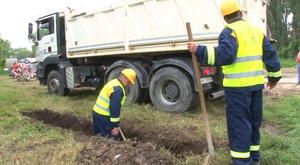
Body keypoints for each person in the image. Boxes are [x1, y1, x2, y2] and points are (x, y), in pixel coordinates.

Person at [187, 0, 281, 164]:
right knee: (253, 122)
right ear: (240, 13)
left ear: (225, 18)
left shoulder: (229, 31)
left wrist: (199, 49)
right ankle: (254, 158)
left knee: (239, 126)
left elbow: (225, 56)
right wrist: (274, 77)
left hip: (238, 90)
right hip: (256, 87)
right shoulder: (256, 31)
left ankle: (241, 161)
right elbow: (270, 55)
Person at [92, 68, 137, 140]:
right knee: (112, 140)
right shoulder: (117, 89)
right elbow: (114, 108)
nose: (129, 84)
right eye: (129, 82)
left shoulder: (115, 82)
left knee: (99, 137)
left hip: (97, 113)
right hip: (103, 117)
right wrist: (116, 125)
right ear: (124, 77)